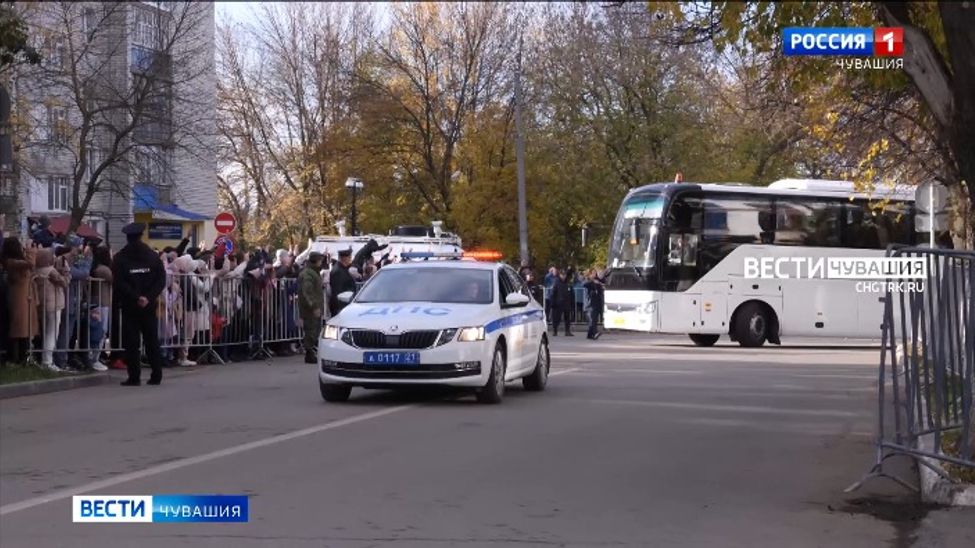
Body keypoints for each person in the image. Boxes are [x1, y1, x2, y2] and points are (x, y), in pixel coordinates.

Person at [112, 223, 166, 386]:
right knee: (151, 340)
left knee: (132, 342)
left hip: (130, 305)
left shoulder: (120, 258)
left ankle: (134, 377)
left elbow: (120, 282)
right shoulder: (152, 256)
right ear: (141, 236)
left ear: (127, 238)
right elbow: (161, 280)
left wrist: (137, 297)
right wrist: (148, 297)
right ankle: (156, 375)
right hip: (149, 306)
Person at [2, 237, 37, 363]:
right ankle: (15, 357)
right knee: (18, 328)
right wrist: (29, 249)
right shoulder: (11, 261)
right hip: (18, 298)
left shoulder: (15, 261)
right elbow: (31, 263)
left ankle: (23, 357)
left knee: (25, 329)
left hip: (25, 297)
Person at [34, 248, 68, 370]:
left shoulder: (36, 270)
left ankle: (45, 360)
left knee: (45, 332)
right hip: (53, 305)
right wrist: (64, 274)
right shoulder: (51, 271)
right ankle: (47, 361)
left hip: (42, 304)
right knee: (52, 333)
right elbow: (64, 282)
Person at [298, 252, 325, 364]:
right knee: (311, 330)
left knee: (315, 329)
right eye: (320, 260)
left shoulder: (313, 272)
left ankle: (311, 351)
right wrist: (314, 306)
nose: (321, 262)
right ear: (316, 260)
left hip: (313, 307)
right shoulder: (308, 274)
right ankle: (309, 353)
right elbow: (307, 291)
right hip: (309, 308)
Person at [328, 248, 356, 317]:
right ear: (344, 258)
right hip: (340, 307)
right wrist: (340, 308)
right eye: (349, 257)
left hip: (345, 306)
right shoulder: (338, 271)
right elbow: (338, 292)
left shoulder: (343, 269)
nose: (350, 259)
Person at [550, 267, 574, 336]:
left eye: (565, 274)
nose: (563, 276)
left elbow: (572, 293)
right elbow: (553, 293)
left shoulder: (568, 282)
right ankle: (555, 331)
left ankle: (567, 331)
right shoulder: (556, 282)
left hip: (567, 303)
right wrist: (553, 302)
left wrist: (572, 301)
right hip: (558, 303)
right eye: (562, 274)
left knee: (567, 318)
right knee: (556, 318)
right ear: (559, 275)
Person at [583, 268, 605, 340]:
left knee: (594, 320)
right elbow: (584, 284)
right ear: (589, 274)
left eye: (595, 273)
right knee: (592, 320)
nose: (594, 275)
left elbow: (602, 284)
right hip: (589, 304)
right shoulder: (587, 281)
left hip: (596, 303)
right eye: (592, 273)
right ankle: (595, 333)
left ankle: (590, 335)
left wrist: (600, 284)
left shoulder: (597, 281)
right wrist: (592, 282)